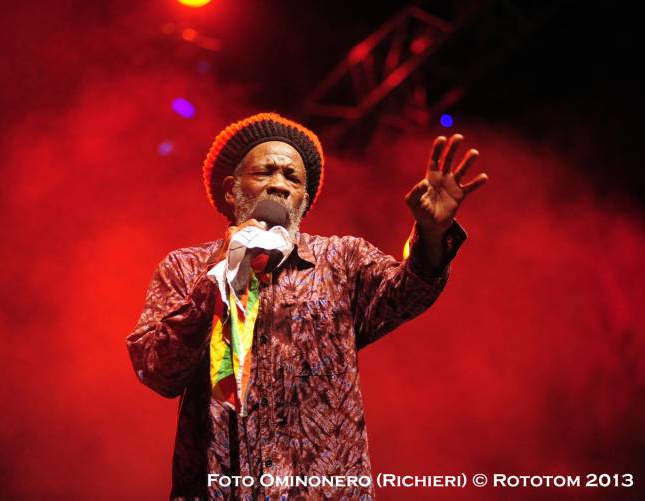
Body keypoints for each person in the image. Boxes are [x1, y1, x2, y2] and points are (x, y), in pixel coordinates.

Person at [126, 112, 488, 499]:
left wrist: (431, 235)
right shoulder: (185, 267)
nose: (279, 185)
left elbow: (407, 292)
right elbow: (158, 371)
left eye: (292, 177)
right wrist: (222, 275)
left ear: (304, 199)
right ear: (231, 191)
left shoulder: (342, 260)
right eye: (265, 172)